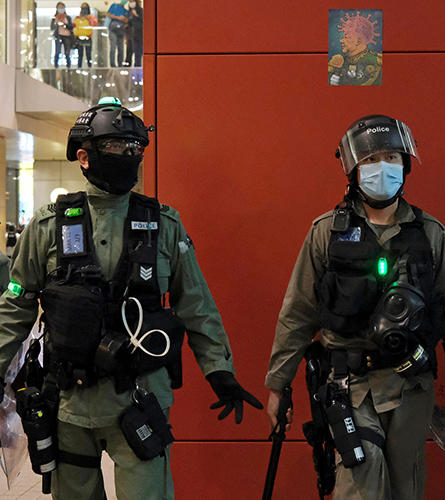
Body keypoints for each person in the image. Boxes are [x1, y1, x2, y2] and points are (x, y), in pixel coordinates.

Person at [0, 97, 262, 499]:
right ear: (84, 157)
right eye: (116, 148)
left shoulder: (163, 225)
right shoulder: (48, 226)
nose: (127, 157)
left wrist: (219, 370)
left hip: (139, 399)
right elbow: (15, 303)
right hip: (70, 404)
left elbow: (196, 305)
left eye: (134, 149)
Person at [264, 114, 445, 499]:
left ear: (406, 165)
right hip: (349, 385)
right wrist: (278, 385)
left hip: (411, 386)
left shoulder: (429, 233)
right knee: (361, 475)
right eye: (370, 160)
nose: (382, 168)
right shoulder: (326, 233)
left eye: (392, 158)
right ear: (352, 169)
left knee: (405, 486)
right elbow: (298, 312)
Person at [73, 3, 97, 68]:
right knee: (80, 55)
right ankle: (79, 68)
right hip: (79, 38)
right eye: (82, 8)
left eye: (85, 8)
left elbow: (95, 24)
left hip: (88, 38)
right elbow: (73, 26)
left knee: (88, 54)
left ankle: (90, 68)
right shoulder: (77, 18)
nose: (84, 10)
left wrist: (88, 18)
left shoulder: (91, 17)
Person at [51, 3, 74, 69]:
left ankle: (68, 66)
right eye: (59, 8)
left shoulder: (68, 17)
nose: (61, 9)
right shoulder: (54, 18)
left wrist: (64, 25)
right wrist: (56, 23)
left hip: (67, 36)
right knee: (57, 52)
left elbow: (71, 27)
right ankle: (56, 66)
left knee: (67, 53)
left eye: (62, 7)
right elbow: (52, 27)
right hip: (58, 36)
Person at [106, 0, 128, 67]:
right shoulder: (114, 6)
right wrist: (118, 17)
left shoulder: (125, 11)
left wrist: (124, 19)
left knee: (121, 49)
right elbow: (108, 14)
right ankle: (112, 64)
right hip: (113, 29)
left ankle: (120, 64)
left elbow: (128, 21)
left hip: (121, 30)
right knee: (113, 48)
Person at [124, 0, 143, 68]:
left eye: (133, 1)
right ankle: (131, 66)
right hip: (132, 35)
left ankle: (138, 67)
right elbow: (129, 23)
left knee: (138, 52)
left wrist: (136, 15)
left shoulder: (141, 11)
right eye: (130, 1)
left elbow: (143, 21)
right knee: (131, 51)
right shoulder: (129, 12)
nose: (131, 3)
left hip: (140, 34)